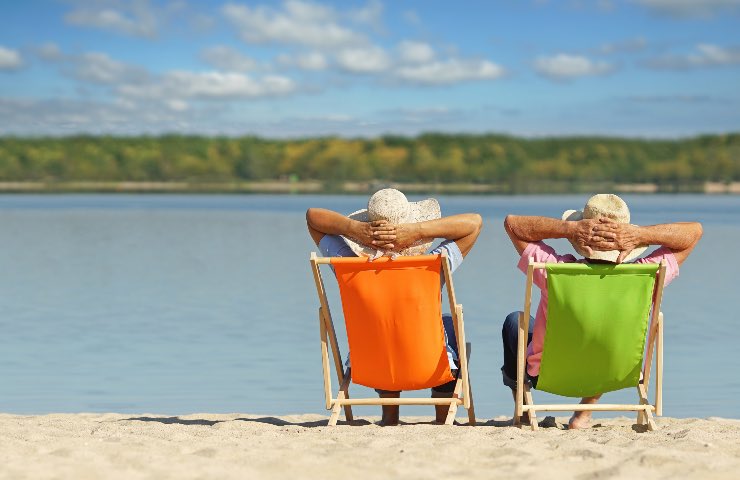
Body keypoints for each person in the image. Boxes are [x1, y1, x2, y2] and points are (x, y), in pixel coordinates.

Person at [501, 194, 702, 429]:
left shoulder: (553, 272)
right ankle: (583, 414)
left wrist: (568, 229)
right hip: (615, 372)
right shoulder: (646, 277)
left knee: (515, 322)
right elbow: (694, 232)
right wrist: (640, 235)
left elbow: (512, 224)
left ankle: (524, 411)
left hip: (547, 374)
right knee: (607, 336)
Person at [306, 188, 482, 426]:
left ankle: (389, 416)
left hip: (370, 364)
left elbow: (313, 218)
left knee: (381, 329)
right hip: (426, 363)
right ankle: (442, 417)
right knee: (449, 324)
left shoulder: (348, 267)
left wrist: (354, 230)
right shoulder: (432, 267)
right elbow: (474, 223)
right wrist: (417, 231)